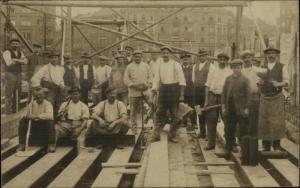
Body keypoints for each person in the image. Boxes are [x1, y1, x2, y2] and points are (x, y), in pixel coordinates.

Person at [151, 46, 186, 143]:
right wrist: (154, 89)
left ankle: (172, 135)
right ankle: (156, 135)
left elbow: (182, 80)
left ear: (170, 54)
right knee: (158, 113)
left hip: (174, 91)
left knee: (174, 115)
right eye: (163, 53)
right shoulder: (159, 65)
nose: (165, 55)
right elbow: (156, 79)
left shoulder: (176, 64)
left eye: (167, 53)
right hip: (163, 91)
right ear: (161, 54)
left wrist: (181, 95)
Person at [257, 47, 289, 151]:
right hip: (265, 97)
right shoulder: (262, 67)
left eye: (273, 53)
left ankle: (276, 144)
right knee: (264, 120)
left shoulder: (282, 67)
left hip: (277, 97)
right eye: (269, 53)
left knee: (277, 121)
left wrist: (279, 83)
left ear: (277, 55)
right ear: (266, 55)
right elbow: (258, 81)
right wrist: (260, 83)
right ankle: (265, 144)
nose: (271, 55)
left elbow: (287, 81)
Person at [222, 59, 251, 158]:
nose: (236, 69)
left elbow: (248, 95)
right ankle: (228, 150)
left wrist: (247, 108)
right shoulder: (228, 79)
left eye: (238, 67)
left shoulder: (245, 80)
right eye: (234, 67)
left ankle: (244, 152)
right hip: (230, 109)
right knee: (229, 130)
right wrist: (223, 106)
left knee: (243, 131)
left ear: (241, 68)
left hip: (241, 110)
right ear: (232, 68)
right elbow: (224, 93)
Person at [204, 53, 232, 150]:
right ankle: (211, 143)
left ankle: (231, 144)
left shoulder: (230, 72)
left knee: (228, 121)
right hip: (213, 97)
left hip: (225, 98)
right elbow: (207, 86)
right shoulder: (213, 70)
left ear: (227, 61)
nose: (222, 61)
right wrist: (206, 100)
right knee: (211, 120)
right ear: (218, 60)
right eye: (220, 59)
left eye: (224, 59)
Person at [18, 88, 55, 152]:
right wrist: (27, 116)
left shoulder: (47, 104)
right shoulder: (31, 104)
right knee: (22, 121)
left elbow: (50, 116)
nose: (38, 96)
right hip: (33, 125)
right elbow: (24, 115)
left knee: (50, 123)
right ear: (34, 96)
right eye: (36, 95)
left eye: (40, 94)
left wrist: (36, 116)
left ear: (44, 95)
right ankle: (22, 144)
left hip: (43, 124)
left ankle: (51, 144)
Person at [124, 50, 152, 134]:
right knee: (133, 111)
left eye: (139, 56)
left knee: (153, 105)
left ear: (141, 57)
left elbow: (150, 76)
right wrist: (134, 85)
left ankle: (153, 124)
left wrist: (148, 84)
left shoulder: (146, 66)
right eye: (136, 56)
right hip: (134, 91)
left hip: (145, 90)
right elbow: (126, 80)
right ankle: (134, 128)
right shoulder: (129, 67)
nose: (137, 58)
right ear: (133, 57)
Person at [31, 51, 65, 117]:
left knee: (59, 107)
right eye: (52, 58)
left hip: (58, 90)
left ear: (58, 58)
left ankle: (55, 123)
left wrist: (62, 85)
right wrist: (40, 88)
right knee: (49, 106)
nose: (54, 59)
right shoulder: (45, 68)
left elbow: (61, 79)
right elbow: (34, 78)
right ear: (49, 59)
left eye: (55, 57)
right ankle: (48, 123)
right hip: (49, 91)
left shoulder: (60, 68)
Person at [2, 38, 28, 114]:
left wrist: (15, 60)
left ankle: (16, 111)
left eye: (17, 44)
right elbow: (9, 63)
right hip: (10, 74)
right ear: (10, 45)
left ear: (19, 45)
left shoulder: (20, 52)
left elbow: (25, 61)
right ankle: (8, 112)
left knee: (18, 93)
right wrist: (20, 61)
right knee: (9, 94)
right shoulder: (7, 52)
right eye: (13, 44)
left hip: (18, 74)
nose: (15, 45)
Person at [241, 50, 260, 137]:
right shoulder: (240, 71)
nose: (247, 59)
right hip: (242, 99)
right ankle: (243, 144)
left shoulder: (257, 70)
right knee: (243, 120)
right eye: (245, 57)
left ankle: (253, 145)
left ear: (252, 58)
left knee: (254, 120)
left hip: (254, 98)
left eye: (249, 57)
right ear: (243, 59)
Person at [192, 49, 211, 138]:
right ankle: (202, 132)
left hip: (206, 91)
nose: (201, 57)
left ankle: (209, 133)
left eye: (203, 55)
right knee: (199, 111)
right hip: (197, 91)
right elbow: (193, 79)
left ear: (206, 56)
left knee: (207, 111)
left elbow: (211, 80)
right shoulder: (195, 66)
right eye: (200, 56)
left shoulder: (211, 66)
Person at [180, 53, 195, 130]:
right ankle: (184, 122)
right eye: (184, 59)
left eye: (187, 59)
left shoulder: (193, 68)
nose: (185, 60)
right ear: (181, 60)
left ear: (189, 60)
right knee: (183, 107)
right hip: (182, 92)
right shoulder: (179, 69)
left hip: (191, 91)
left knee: (193, 107)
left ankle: (194, 123)